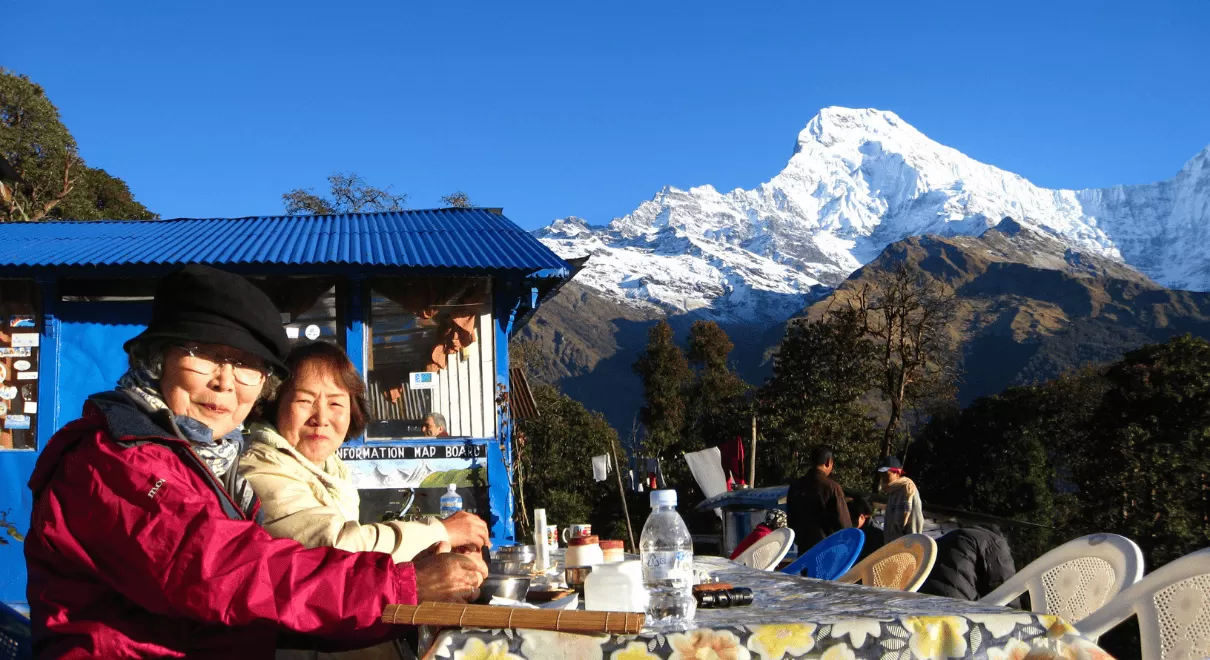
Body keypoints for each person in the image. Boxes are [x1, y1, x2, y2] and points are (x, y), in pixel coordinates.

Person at [24, 265, 486, 659]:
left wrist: (397, 612)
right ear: (157, 358)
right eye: (203, 354)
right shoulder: (119, 460)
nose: (226, 382)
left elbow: (264, 607)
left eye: (247, 365)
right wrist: (400, 587)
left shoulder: (205, 462)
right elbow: (224, 572)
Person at [240, 341, 490, 565]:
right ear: (275, 405)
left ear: (352, 413)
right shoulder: (261, 467)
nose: (322, 418)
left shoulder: (332, 470)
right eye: (304, 401)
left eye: (336, 403)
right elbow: (338, 548)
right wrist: (440, 532)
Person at [919, 525, 1018, 603]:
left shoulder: (948, 537)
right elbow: (1006, 592)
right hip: (955, 612)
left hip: (921, 603)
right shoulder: (996, 543)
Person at [786, 445, 852, 550]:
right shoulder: (832, 487)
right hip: (826, 549)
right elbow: (844, 524)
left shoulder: (796, 486)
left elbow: (791, 520)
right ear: (828, 462)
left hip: (803, 550)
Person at [878, 455, 924, 543]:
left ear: (897, 473)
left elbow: (914, 523)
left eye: (886, 473)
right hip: (891, 548)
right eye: (881, 474)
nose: (883, 477)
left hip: (904, 548)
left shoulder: (908, 490)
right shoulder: (892, 492)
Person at [847, 495, 884, 563]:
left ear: (862, 517)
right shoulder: (855, 529)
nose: (850, 523)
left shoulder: (877, 535)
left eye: (852, 520)